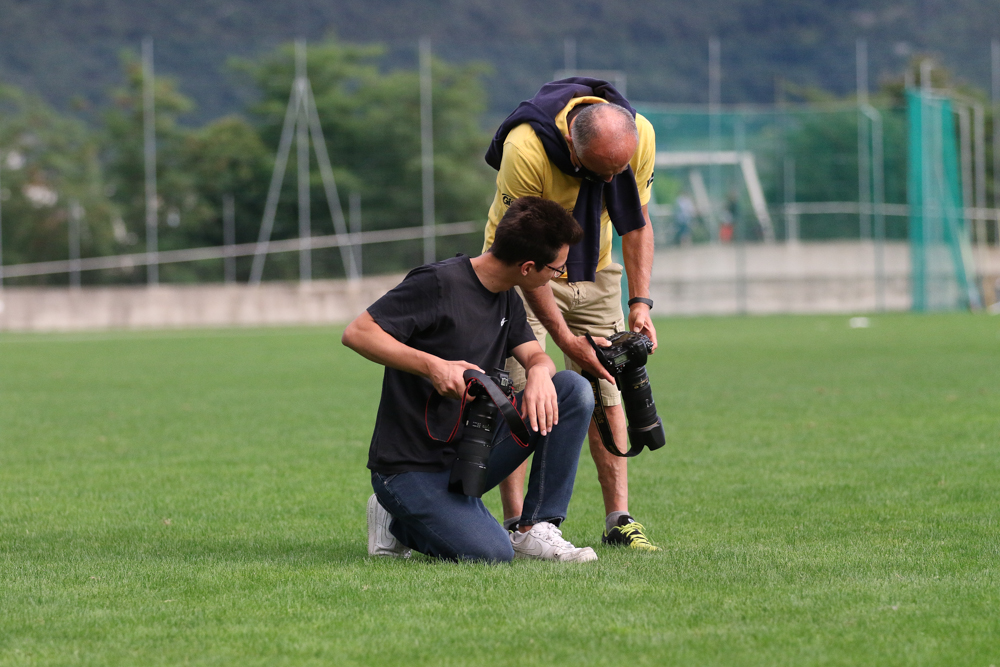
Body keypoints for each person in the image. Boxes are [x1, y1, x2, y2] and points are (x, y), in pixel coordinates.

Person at [343, 196, 598, 563]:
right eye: (557, 269)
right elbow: (358, 332)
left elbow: (535, 355)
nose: (558, 275)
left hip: (471, 454)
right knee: (492, 553)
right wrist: (433, 366)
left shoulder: (507, 295)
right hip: (410, 466)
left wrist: (541, 372)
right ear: (528, 267)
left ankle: (535, 527)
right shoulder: (437, 283)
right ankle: (395, 516)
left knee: (573, 389)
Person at [482, 78, 660, 551]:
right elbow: (523, 260)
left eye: (619, 170)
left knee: (608, 388)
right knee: (522, 389)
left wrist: (640, 302)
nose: (612, 181)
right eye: (601, 171)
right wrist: (564, 339)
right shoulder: (526, 150)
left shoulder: (639, 134)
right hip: (524, 270)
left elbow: (637, 222)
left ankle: (619, 520)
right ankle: (518, 525)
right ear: (570, 145)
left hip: (595, 269)